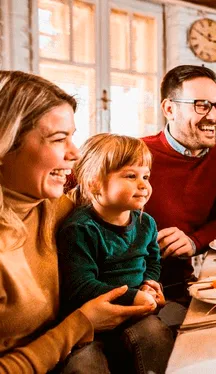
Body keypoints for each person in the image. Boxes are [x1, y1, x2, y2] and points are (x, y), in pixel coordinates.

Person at [0, 71, 153, 373]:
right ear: (5, 144)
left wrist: (149, 282)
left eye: (73, 136)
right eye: (59, 139)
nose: (75, 153)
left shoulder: (53, 204)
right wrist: (79, 325)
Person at [57, 134, 174, 373]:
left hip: (136, 316)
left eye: (146, 176)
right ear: (94, 184)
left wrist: (150, 285)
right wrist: (133, 296)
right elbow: (82, 286)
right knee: (84, 365)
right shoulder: (80, 229)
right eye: (131, 176)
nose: (143, 185)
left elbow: (152, 261)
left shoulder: (146, 223)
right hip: (90, 324)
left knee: (157, 334)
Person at [142, 65, 216, 301]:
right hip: (137, 286)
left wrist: (193, 242)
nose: (214, 117)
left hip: (180, 285)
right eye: (201, 105)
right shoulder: (136, 152)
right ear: (170, 109)